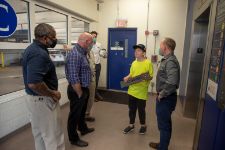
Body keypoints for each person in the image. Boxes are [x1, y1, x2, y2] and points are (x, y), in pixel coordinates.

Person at [22, 23, 65, 150]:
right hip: (43, 100)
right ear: (45, 37)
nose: (55, 40)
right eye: (53, 37)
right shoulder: (38, 54)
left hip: (34, 99)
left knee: (40, 135)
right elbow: (34, 83)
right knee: (54, 136)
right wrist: (52, 93)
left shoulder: (33, 49)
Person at [149, 38, 180, 150]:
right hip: (167, 97)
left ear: (165, 47)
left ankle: (163, 147)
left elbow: (172, 82)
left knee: (164, 126)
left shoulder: (170, 61)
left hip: (166, 98)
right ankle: (162, 145)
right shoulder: (167, 60)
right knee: (165, 123)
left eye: (161, 45)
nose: (159, 48)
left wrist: (161, 94)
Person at [65, 32, 95, 147]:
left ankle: (83, 128)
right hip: (77, 90)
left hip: (84, 88)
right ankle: (73, 138)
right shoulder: (75, 54)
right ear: (87, 42)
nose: (91, 44)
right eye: (91, 42)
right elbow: (73, 77)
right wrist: (80, 93)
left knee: (81, 112)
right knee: (74, 115)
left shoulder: (82, 52)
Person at [123, 44, 153, 135]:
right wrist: (127, 77)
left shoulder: (148, 63)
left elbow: (150, 76)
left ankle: (143, 125)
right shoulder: (134, 63)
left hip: (141, 92)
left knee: (141, 110)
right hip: (132, 90)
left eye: (139, 51)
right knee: (131, 109)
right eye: (135, 51)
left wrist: (142, 78)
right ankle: (131, 125)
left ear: (143, 53)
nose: (136, 52)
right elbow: (131, 73)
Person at [90, 31, 103, 101]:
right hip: (91, 66)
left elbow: (101, 53)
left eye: (95, 36)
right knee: (92, 81)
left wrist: (104, 54)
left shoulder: (99, 44)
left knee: (96, 81)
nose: (94, 38)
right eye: (92, 36)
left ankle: (95, 93)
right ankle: (92, 96)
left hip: (98, 65)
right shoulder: (88, 44)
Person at [85, 49, 96, 122]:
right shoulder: (81, 52)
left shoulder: (91, 51)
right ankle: (83, 115)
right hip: (85, 79)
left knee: (91, 97)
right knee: (85, 98)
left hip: (92, 78)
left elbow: (92, 63)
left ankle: (87, 114)